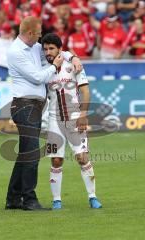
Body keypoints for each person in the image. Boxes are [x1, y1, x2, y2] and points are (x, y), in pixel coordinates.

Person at [6, 16, 82, 211]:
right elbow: (38, 77)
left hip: (34, 107)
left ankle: (13, 200)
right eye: (38, 33)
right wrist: (55, 66)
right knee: (31, 154)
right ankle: (29, 200)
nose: (41, 37)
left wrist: (72, 56)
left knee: (25, 154)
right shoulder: (16, 52)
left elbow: (57, 51)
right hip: (25, 106)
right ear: (30, 33)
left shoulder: (34, 47)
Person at [42, 33, 102, 210]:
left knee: (82, 158)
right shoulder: (43, 68)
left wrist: (83, 114)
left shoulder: (74, 65)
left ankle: (92, 197)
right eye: (45, 49)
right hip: (53, 120)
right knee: (56, 161)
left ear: (60, 49)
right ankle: (57, 200)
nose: (48, 52)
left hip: (75, 118)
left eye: (51, 48)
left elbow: (85, 91)